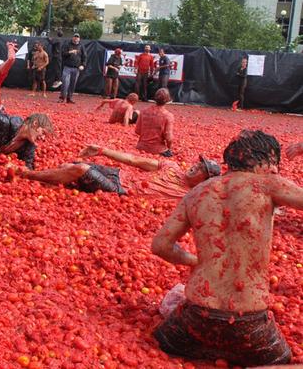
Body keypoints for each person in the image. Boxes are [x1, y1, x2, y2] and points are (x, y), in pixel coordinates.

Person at [151, 130, 302, 367]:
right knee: (282, 361)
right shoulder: (268, 185)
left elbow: (160, 246)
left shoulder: (197, 192)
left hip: (196, 318)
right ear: (268, 160)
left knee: (162, 343)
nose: (276, 170)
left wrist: (196, 261)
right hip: (248, 324)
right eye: (275, 165)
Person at [79, 144, 220, 200]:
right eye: (198, 163)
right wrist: (102, 151)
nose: (196, 166)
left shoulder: (189, 196)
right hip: (118, 173)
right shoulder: (171, 165)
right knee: (75, 165)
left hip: (120, 189)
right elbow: (134, 160)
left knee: (80, 169)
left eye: (202, 169)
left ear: (206, 181)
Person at [135, 88, 174, 157]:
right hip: (158, 150)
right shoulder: (168, 116)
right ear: (167, 100)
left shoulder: (143, 111)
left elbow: (137, 131)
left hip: (141, 147)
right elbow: (169, 138)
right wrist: (169, 148)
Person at [60, 33, 86, 104]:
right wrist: (70, 52)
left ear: (79, 39)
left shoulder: (81, 46)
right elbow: (62, 54)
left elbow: (84, 57)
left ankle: (69, 98)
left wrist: (83, 65)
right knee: (65, 82)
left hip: (76, 68)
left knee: (73, 84)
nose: (76, 38)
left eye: (77, 37)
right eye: (75, 37)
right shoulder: (67, 44)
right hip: (67, 67)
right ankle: (62, 98)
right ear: (72, 38)